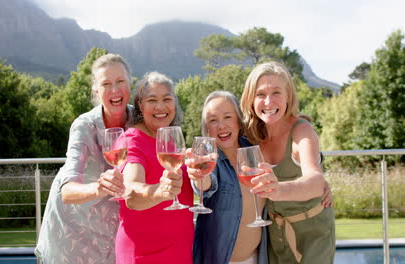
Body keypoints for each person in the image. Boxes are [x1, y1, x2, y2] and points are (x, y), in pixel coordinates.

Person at [35, 54, 133, 264]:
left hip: (112, 235)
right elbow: (67, 191)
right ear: (97, 92)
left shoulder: (138, 121)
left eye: (120, 81)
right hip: (72, 235)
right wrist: (99, 188)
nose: (115, 90)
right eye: (106, 84)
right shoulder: (83, 126)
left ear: (130, 84)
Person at [240, 61, 335, 263]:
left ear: (288, 96)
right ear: (250, 99)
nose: (268, 102)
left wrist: (278, 190)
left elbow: (315, 180)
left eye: (276, 92)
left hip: (313, 234)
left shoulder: (302, 131)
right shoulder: (251, 135)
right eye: (260, 94)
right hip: (275, 235)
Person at [115, 72, 194, 264]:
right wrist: (160, 192)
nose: (160, 107)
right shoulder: (131, 141)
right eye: (152, 100)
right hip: (143, 255)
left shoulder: (172, 140)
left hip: (181, 252)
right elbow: (131, 192)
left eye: (167, 99)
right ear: (140, 106)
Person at [187, 91, 269, 264]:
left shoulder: (253, 150)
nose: (221, 126)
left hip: (257, 258)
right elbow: (204, 185)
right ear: (207, 128)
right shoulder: (209, 159)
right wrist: (200, 175)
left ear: (239, 121)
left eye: (227, 117)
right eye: (213, 120)